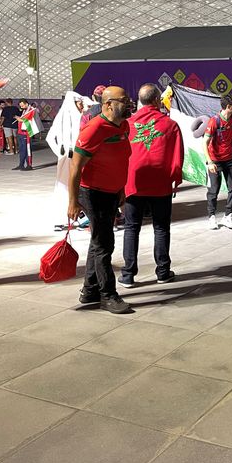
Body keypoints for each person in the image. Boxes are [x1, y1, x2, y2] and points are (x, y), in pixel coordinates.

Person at [68, 86, 133, 313]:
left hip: (111, 192)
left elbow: (120, 159)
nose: (130, 103)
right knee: (104, 244)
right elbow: (75, 167)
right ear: (108, 105)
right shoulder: (93, 129)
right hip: (93, 193)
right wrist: (73, 201)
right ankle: (108, 295)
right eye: (124, 101)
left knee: (98, 241)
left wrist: (120, 189)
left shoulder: (122, 125)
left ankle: (89, 290)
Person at [119, 83, 183, 287]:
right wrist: (174, 178)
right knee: (161, 228)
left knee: (131, 228)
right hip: (159, 183)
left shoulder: (127, 124)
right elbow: (177, 156)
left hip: (134, 183)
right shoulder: (169, 125)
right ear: (157, 100)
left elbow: (119, 155)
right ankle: (163, 272)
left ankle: (128, 275)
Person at [47, 91, 88, 228]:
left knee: (78, 188)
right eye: (79, 103)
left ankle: (80, 218)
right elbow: (50, 137)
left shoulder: (82, 116)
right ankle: (61, 219)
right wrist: (60, 152)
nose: (81, 106)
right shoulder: (63, 116)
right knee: (64, 188)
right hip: (67, 158)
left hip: (78, 157)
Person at [204, 94, 232, 230]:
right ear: (228, 107)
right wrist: (210, 162)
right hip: (215, 161)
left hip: (229, 159)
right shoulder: (214, 121)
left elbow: (231, 130)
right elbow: (205, 142)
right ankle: (211, 217)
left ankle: (227, 216)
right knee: (213, 190)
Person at [13, 99, 33, 171]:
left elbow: (27, 120)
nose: (21, 107)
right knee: (21, 149)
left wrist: (18, 118)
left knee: (27, 149)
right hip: (20, 132)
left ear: (26, 104)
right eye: (20, 106)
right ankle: (21, 164)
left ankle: (29, 165)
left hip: (26, 133)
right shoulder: (25, 110)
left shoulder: (31, 110)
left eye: (22, 105)